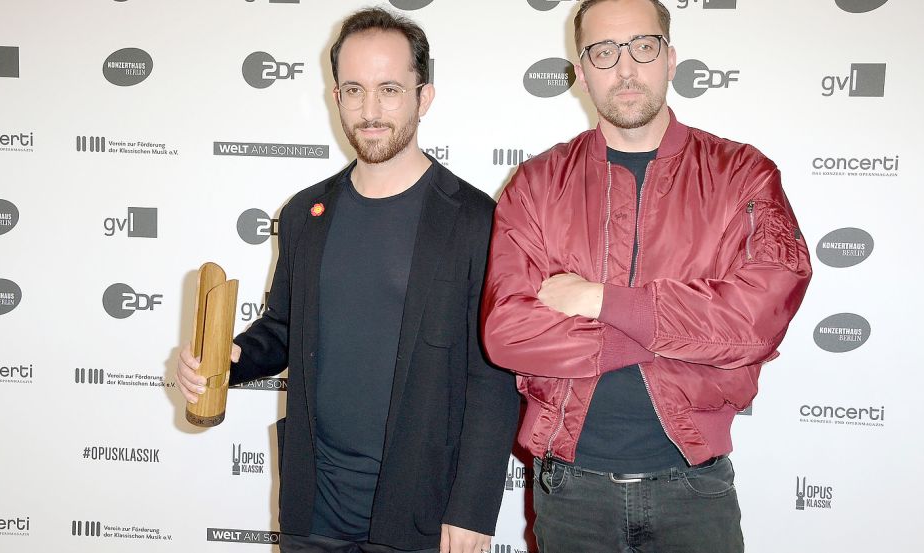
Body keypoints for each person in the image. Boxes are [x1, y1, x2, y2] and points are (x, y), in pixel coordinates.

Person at [176, 8, 518, 553]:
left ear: (423, 97)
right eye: (354, 90)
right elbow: (284, 328)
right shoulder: (305, 214)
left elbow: (493, 377)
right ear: (336, 98)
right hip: (315, 507)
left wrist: (474, 507)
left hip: (423, 511)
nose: (371, 110)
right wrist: (231, 357)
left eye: (389, 89)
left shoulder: (475, 219)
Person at [480, 0, 812, 551]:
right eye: (605, 52)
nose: (626, 68)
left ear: (671, 58)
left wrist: (601, 300)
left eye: (644, 46)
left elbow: (756, 322)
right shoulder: (537, 184)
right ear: (581, 71)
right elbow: (507, 332)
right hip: (570, 490)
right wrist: (675, 332)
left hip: (694, 488)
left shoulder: (741, 175)